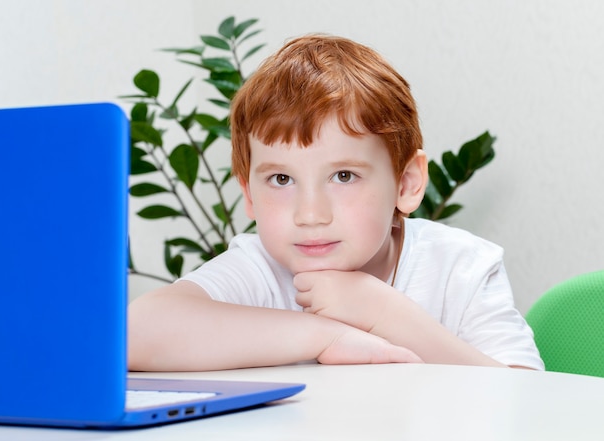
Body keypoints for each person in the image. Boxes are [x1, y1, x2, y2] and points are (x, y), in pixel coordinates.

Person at [128, 34, 544, 372]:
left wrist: (386, 314)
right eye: (281, 179)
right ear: (249, 195)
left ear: (407, 183)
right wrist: (322, 335)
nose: (310, 214)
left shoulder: (460, 267)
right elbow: (131, 334)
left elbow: (526, 401)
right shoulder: (259, 267)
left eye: (344, 176)